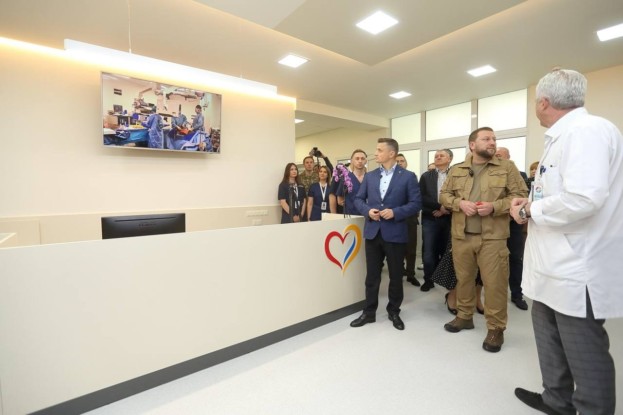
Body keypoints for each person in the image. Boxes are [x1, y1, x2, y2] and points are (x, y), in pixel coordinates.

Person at [510, 69, 623, 415]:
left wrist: (531, 209)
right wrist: (532, 203)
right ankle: (556, 400)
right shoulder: (563, 136)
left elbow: (584, 199)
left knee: (583, 350)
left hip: (576, 267)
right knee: (548, 336)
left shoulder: (587, 131)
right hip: (551, 265)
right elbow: (559, 192)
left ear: (543, 103)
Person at [439, 127, 527, 353]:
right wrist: (460, 204)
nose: (492, 142)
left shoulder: (507, 167)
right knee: (464, 279)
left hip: (493, 238)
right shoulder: (457, 169)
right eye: (486, 139)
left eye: (494, 139)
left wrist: (494, 207)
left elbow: (521, 196)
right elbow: (444, 196)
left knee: (495, 284)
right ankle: (464, 316)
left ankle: (496, 328)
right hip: (461, 235)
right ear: (472, 145)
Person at [350, 138, 421, 331]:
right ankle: (369, 312)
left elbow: (416, 203)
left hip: (396, 233)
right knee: (372, 276)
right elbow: (358, 199)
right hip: (373, 232)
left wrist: (395, 212)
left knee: (396, 276)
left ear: (392, 153)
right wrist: (367, 211)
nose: (375, 153)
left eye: (380, 150)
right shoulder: (370, 176)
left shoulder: (408, 177)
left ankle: (394, 311)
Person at [494, 147, 529, 311]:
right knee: (493, 261)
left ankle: (517, 294)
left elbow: (523, 198)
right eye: (495, 156)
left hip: (513, 224)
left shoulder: (520, 175)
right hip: (494, 224)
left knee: (515, 259)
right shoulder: (489, 175)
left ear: (509, 158)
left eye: (500, 155)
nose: (497, 158)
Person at [419, 149, 453, 294]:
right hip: (430, 218)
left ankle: (445, 279)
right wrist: (439, 207)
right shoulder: (426, 176)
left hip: (450, 218)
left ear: (450, 159)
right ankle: (428, 280)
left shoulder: (456, 175)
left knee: (447, 251)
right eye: (436, 156)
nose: (438, 157)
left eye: (441, 155)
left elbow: (460, 195)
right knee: (428, 252)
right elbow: (421, 197)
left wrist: (446, 210)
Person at [395, 153, 421, 287]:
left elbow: (416, 198)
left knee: (411, 249)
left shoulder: (411, 176)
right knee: (397, 249)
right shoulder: (389, 178)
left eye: (402, 161)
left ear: (406, 163)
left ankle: (411, 274)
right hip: (394, 218)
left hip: (410, 218)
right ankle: (399, 272)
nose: (400, 163)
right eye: (397, 161)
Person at [331, 149, 367, 216]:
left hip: (368, 215)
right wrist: (350, 205)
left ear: (366, 161)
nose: (360, 161)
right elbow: (339, 200)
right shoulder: (346, 178)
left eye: (362, 158)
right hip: (351, 215)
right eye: (357, 158)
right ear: (352, 161)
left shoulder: (370, 178)